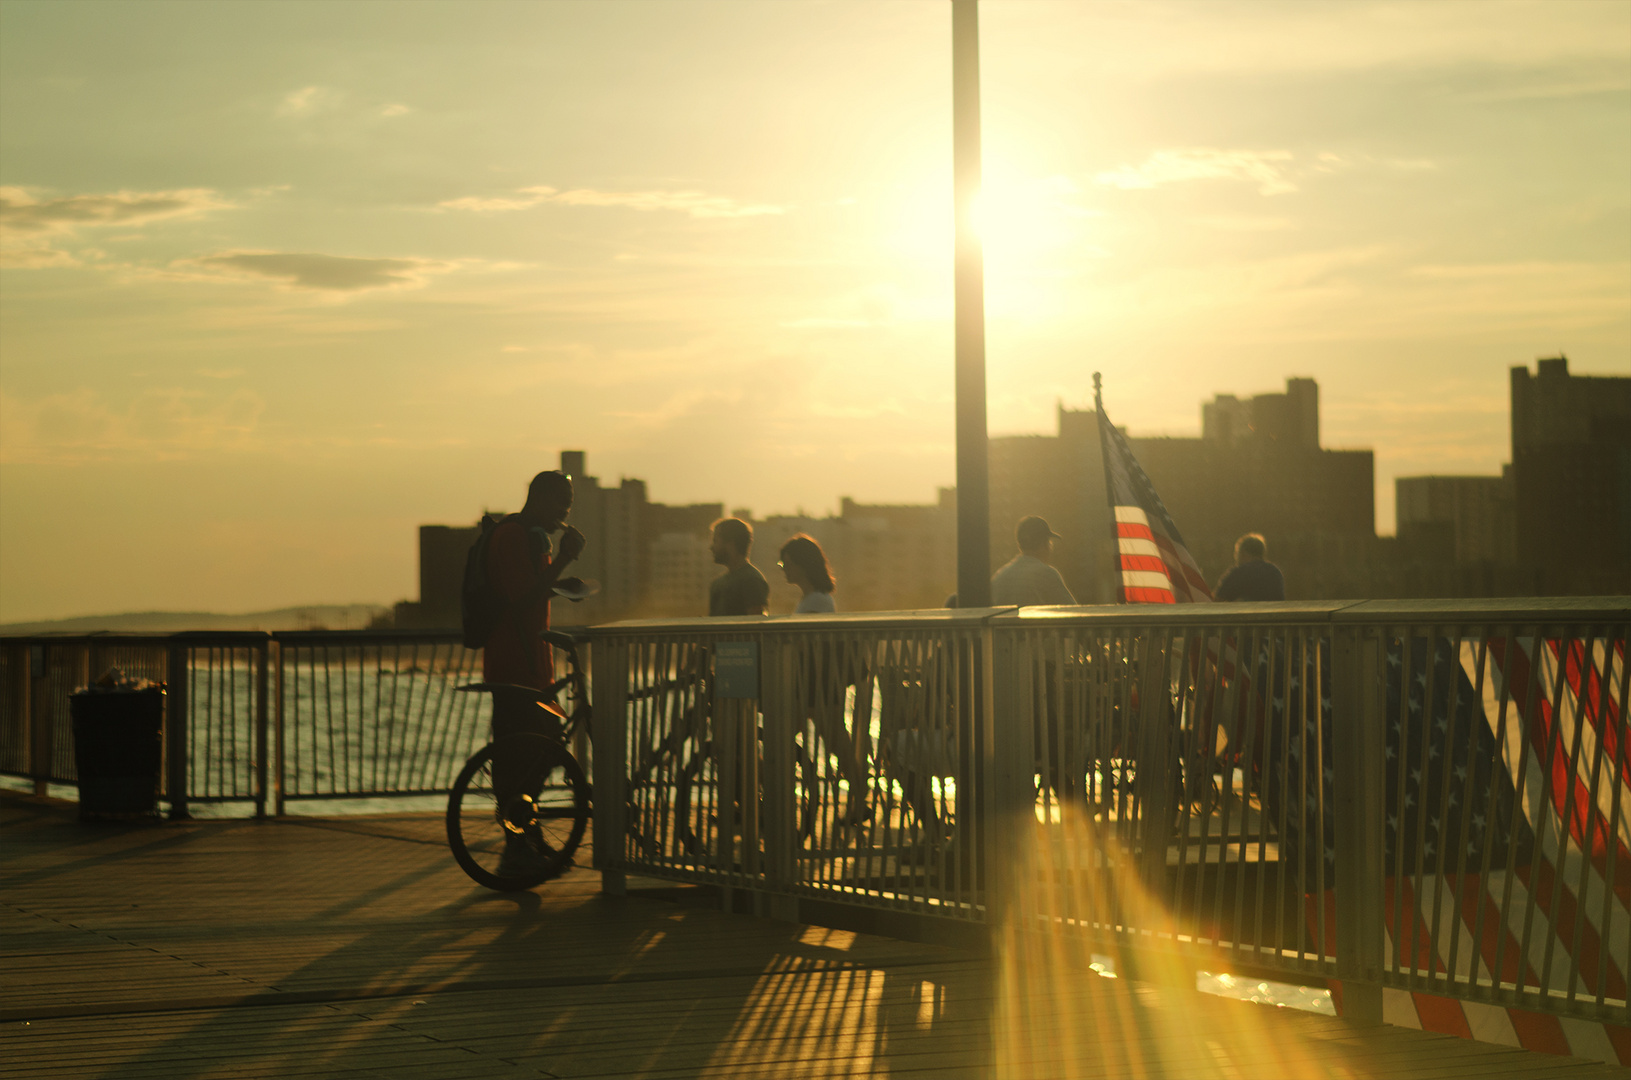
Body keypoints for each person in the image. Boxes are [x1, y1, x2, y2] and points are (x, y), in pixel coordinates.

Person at [484, 470, 585, 692]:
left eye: (568, 506)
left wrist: (559, 588)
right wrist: (564, 558)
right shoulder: (512, 536)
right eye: (562, 503)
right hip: (514, 674)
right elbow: (522, 601)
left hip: (535, 672)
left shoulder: (533, 538)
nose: (565, 512)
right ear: (539, 498)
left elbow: (532, 589)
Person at [990, 515, 1077, 606]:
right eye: (1050, 542)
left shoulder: (999, 576)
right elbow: (1073, 612)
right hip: (1031, 621)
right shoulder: (1047, 574)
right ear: (1045, 544)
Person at [708, 517, 770, 616]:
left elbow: (756, 623)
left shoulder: (751, 580)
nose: (711, 547)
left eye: (715, 541)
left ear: (730, 544)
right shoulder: (717, 584)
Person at [1214, 533, 1286, 601]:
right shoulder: (1274, 572)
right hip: (1273, 613)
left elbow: (1218, 599)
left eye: (1237, 553)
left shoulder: (1238, 573)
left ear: (1243, 552)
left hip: (1248, 613)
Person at [778, 534, 837, 614]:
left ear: (803, 565)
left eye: (788, 564)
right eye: (783, 565)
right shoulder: (809, 598)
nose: (783, 569)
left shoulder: (817, 600)